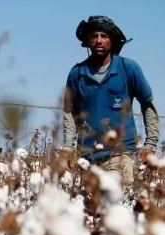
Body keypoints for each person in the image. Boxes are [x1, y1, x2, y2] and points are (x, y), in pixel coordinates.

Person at [62, 15, 159, 189]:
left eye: (104, 36)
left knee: (116, 206)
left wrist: (150, 144)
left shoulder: (127, 68)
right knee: (90, 212)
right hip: (87, 157)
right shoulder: (77, 74)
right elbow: (69, 111)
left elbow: (148, 104)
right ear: (88, 41)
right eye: (94, 36)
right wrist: (68, 148)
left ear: (112, 41)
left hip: (120, 154)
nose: (99, 40)